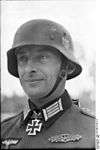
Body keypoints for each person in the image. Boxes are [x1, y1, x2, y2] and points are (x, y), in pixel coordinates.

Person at [1, 19, 95, 149]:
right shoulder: (4, 131)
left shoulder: (93, 131)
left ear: (67, 67)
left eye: (42, 58)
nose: (29, 69)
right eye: (23, 59)